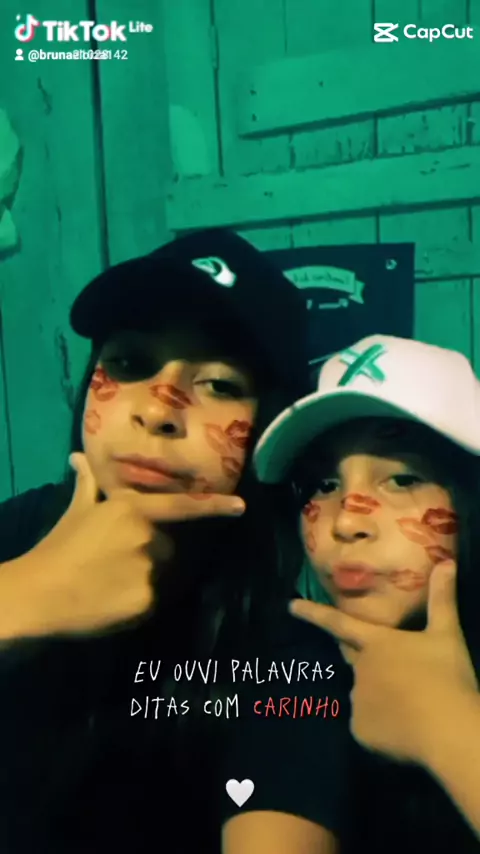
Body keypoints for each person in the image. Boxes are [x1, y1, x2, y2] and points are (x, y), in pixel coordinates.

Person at [0, 229, 351, 854]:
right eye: (129, 362)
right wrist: (25, 598)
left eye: (220, 384)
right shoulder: (12, 533)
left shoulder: (285, 657)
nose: (160, 410)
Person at [253, 334, 480, 853]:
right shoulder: (296, 673)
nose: (346, 521)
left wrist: (449, 729)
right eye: (324, 485)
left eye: (402, 479)